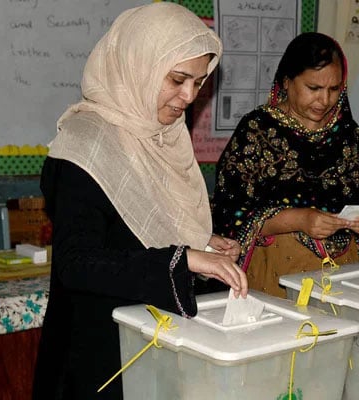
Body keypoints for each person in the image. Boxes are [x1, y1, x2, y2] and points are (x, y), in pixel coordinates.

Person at [32, 4, 248, 400]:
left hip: (155, 344)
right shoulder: (85, 146)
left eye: (198, 82)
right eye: (177, 79)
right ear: (138, 66)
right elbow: (76, 263)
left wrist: (201, 242)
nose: (188, 96)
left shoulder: (165, 136)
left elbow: (143, 224)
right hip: (99, 354)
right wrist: (185, 259)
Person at [211, 32, 359, 298]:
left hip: (341, 275)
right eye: (314, 88)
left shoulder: (349, 135)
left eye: (334, 89)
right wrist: (298, 220)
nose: (325, 100)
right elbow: (230, 213)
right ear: (286, 82)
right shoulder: (257, 132)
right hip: (275, 275)